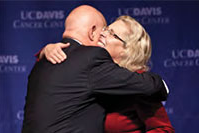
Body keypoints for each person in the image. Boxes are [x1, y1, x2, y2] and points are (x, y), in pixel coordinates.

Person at [22, 5, 168, 133]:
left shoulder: (138, 84)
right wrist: (46, 50)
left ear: (127, 49)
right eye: (105, 29)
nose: (103, 33)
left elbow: (163, 129)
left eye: (112, 33)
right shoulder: (93, 72)